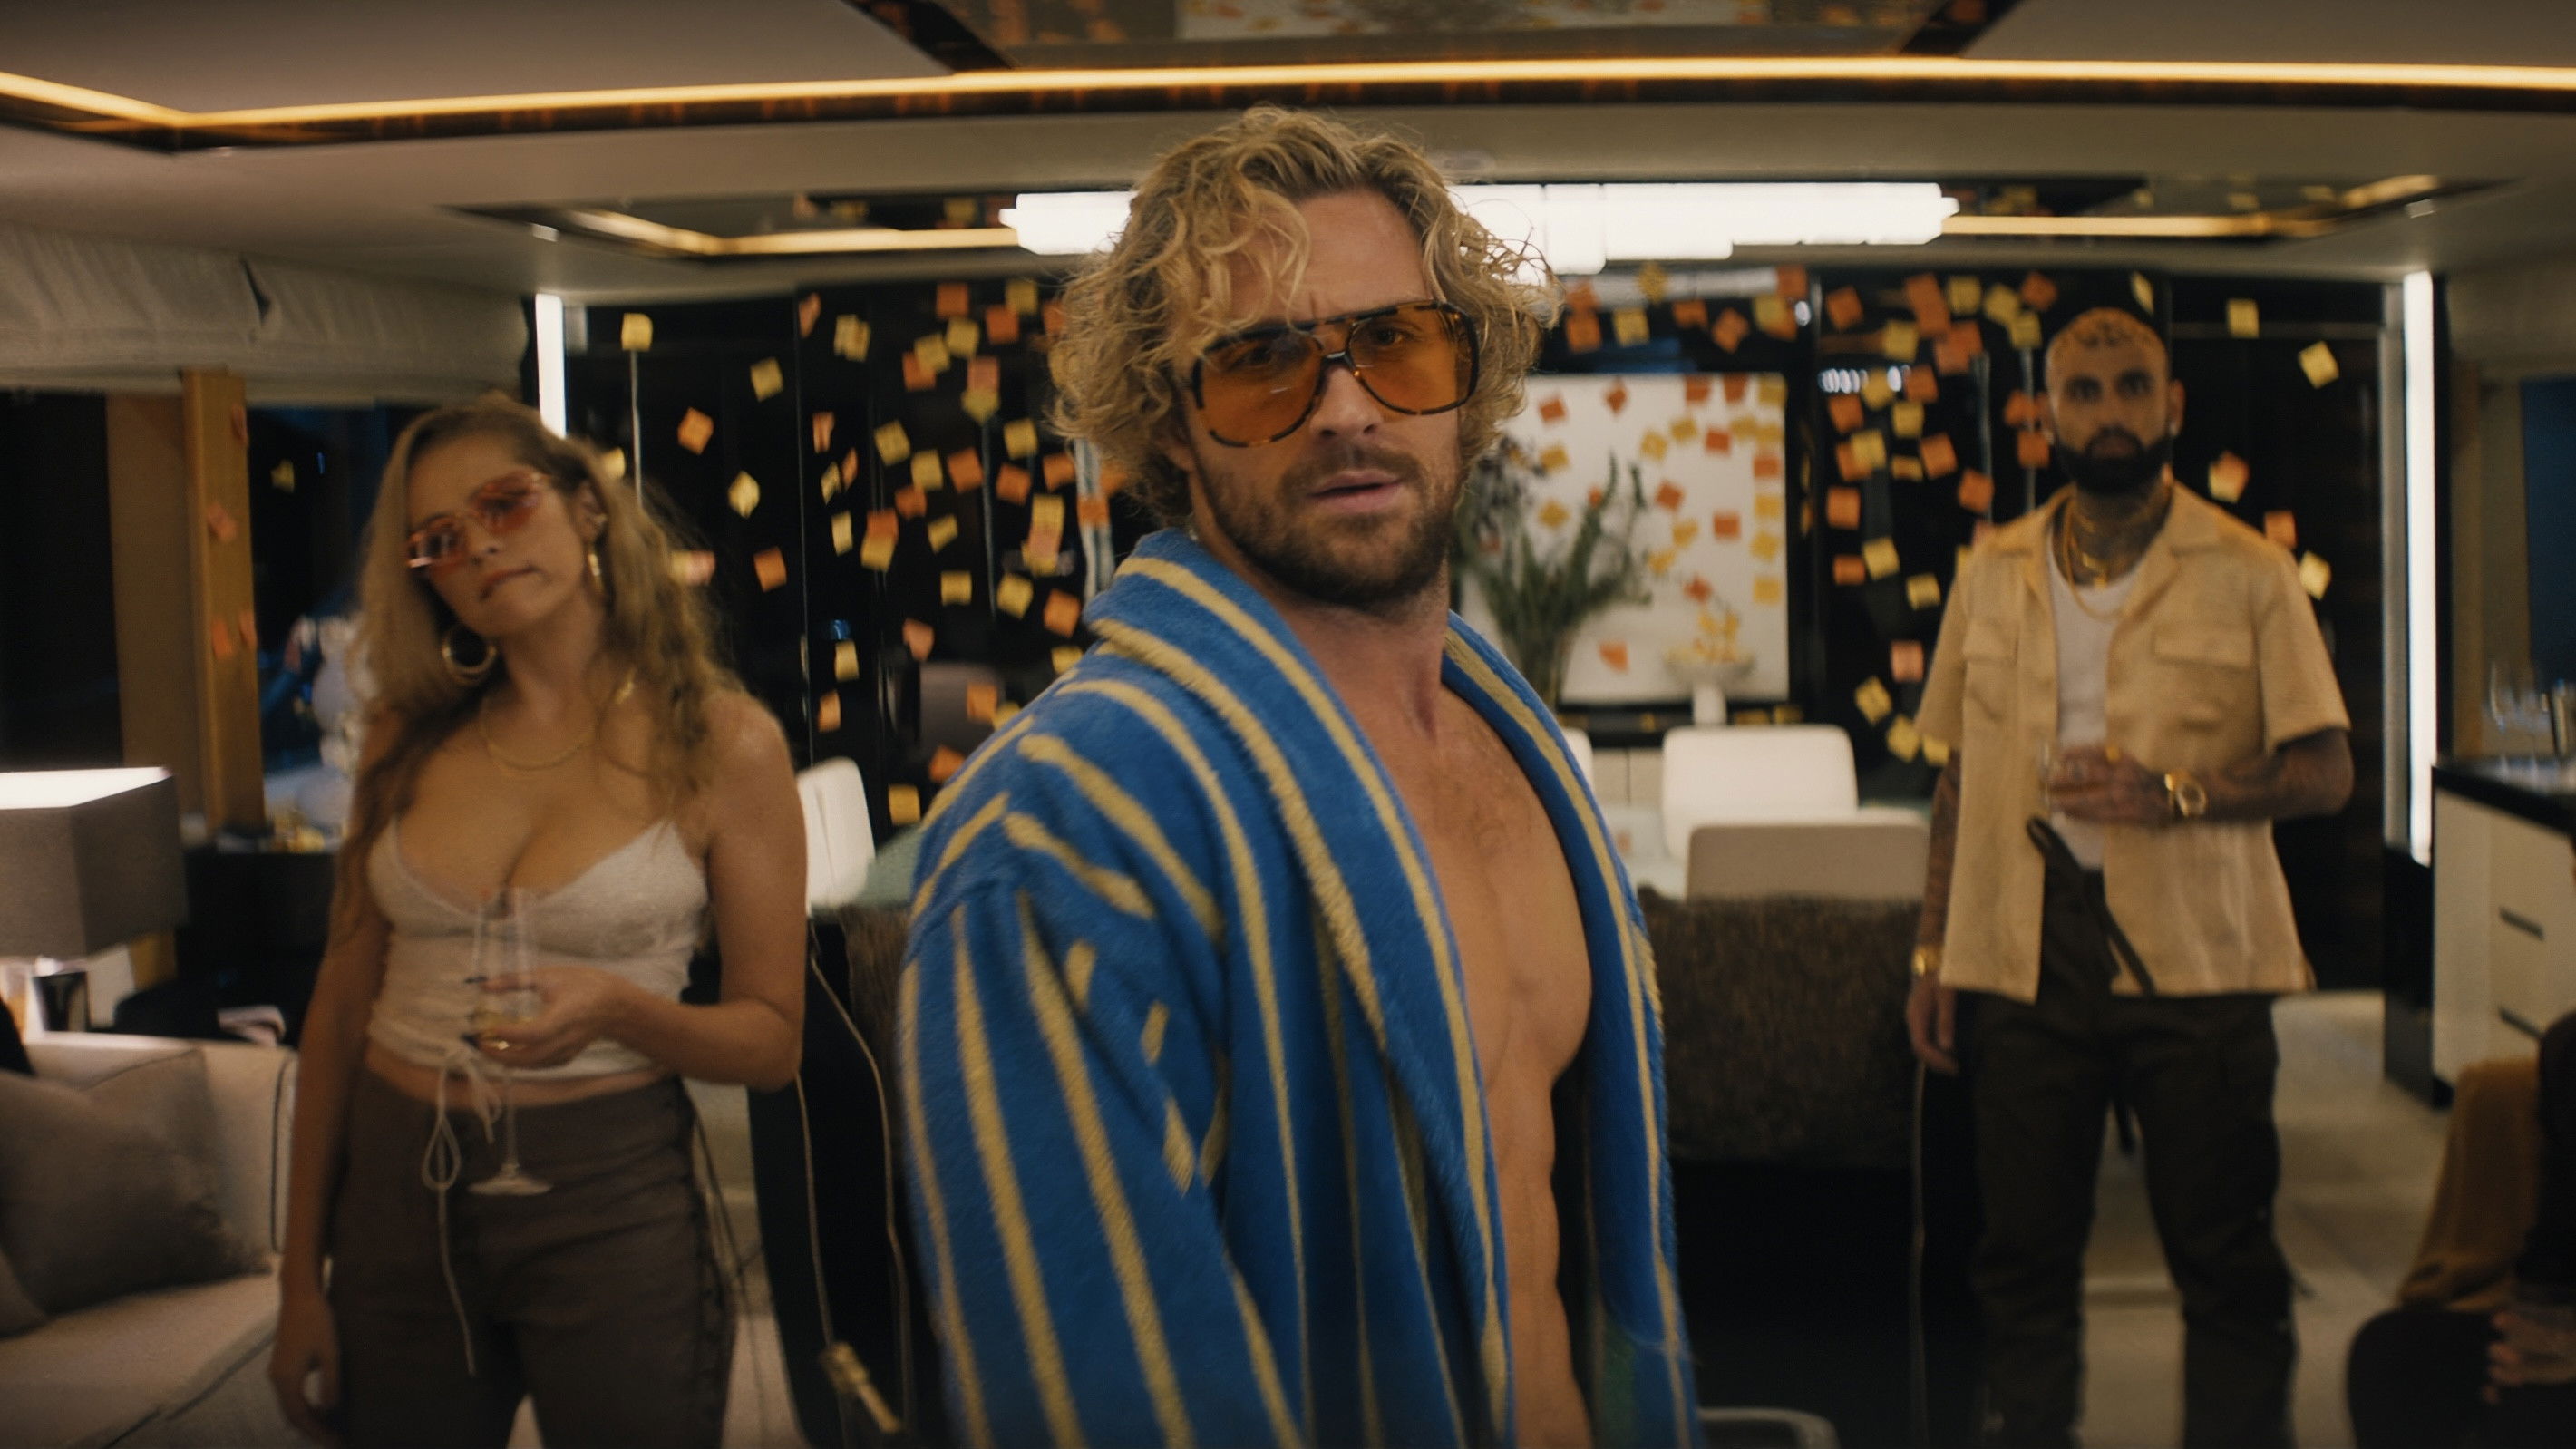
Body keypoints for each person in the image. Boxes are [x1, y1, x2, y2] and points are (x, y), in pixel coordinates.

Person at [899, 106, 1697, 1448]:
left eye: (1396, 341)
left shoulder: (1508, 745)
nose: (1346, 408)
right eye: (1262, 364)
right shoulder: (1063, 824)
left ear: (1466, 376)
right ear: (1172, 423)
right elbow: (1101, 1398)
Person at [266, 399, 807, 1448]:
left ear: (586, 507)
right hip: (397, 1187)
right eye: (439, 538)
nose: (478, 546)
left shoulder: (724, 743)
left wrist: (619, 1007)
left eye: (504, 504)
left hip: (607, 1191)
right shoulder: (405, 734)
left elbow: (772, 1041)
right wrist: (298, 1280)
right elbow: (335, 1014)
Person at [1909, 307, 2354, 1447]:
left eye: (2132, 387)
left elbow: (2326, 771)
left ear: (2172, 405)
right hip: (2022, 944)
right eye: (2085, 391)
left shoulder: (2250, 570)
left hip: (2199, 953)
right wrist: (1934, 946)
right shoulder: (1993, 569)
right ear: (2047, 413)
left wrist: (2177, 792)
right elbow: (1959, 776)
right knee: (2020, 1257)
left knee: (2226, 1256)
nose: (2110, 412)